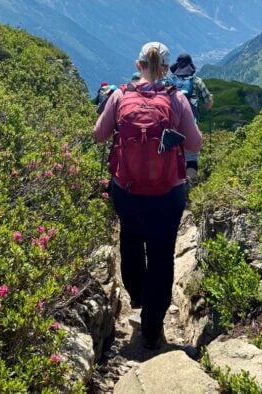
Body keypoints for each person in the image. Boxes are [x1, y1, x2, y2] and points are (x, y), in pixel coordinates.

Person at [94, 42, 202, 350]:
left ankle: (139, 298)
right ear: (166, 69)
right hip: (168, 192)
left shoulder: (119, 95)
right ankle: (153, 327)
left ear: (138, 64)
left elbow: (99, 135)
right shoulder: (177, 99)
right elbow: (195, 141)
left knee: (130, 239)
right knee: (161, 254)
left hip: (126, 190)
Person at [167, 53, 213, 185]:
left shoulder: (169, 82)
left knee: (172, 155)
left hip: (171, 126)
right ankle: (189, 185)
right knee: (191, 156)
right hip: (190, 124)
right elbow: (208, 104)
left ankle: (174, 185)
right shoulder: (197, 82)